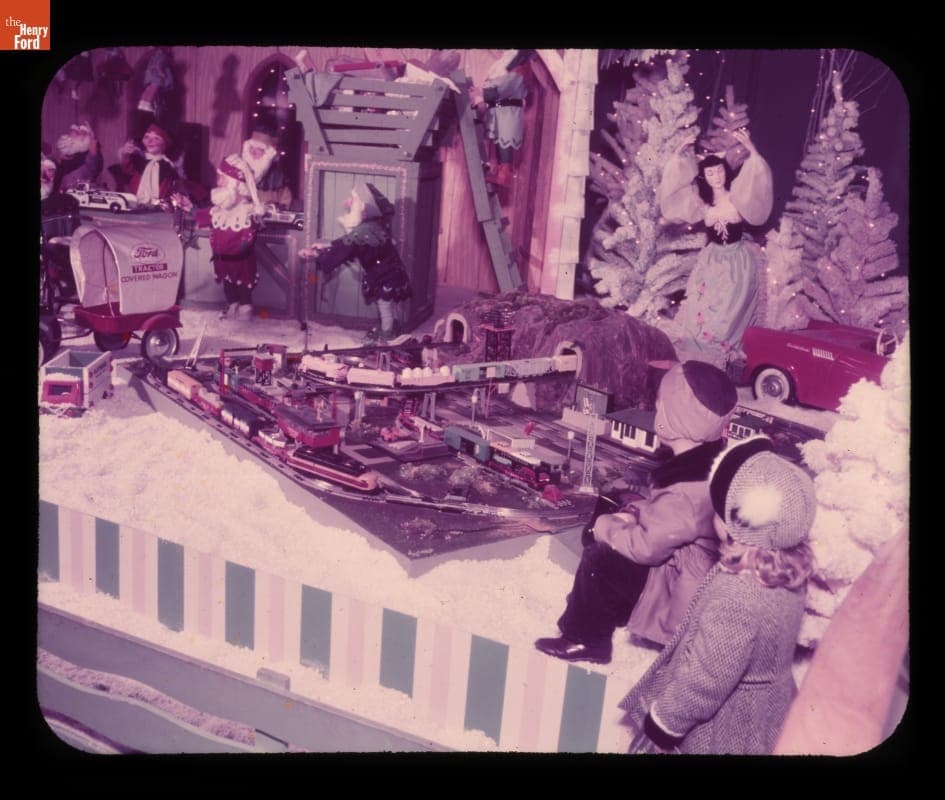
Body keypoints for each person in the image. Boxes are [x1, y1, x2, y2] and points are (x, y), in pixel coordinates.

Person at [619, 435, 816, 755]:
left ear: (733, 523)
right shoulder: (785, 571)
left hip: (724, 727)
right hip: (767, 709)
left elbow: (707, 677)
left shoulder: (737, 594)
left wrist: (665, 721)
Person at [534, 360, 738, 664]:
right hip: (688, 571)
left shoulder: (686, 490)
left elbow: (646, 548)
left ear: (672, 417)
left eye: (660, 403)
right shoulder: (703, 467)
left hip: (679, 594)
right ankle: (606, 608)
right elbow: (667, 516)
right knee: (616, 533)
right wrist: (633, 512)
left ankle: (584, 639)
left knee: (601, 559)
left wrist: (605, 526)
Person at [659, 129, 773, 369]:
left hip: (737, 263)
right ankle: (699, 359)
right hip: (712, 263)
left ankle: (721, 359)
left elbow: (757, 180)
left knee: (729, 311)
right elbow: (674, 191)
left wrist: (752, 150)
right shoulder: (702, 205)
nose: (716, 176)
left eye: (719, 170)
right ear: (704, 176)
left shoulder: (738, 198)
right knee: (702, 308)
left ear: (726, 171)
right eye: (710, 173)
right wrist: (679, 153)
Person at [300, 182, 411, 340]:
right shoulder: (373, 225)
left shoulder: (364, 231)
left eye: (353, 200)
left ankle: (387, 338)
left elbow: (345, 249)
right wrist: (327, 245)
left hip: (385, 277)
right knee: (389, 306)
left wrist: (316, 254)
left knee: (385, 308)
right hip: (390, 273)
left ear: (363, 206)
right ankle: (393, 331)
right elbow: (348, 243)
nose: (349, 203)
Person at [179, 154, 265, 322]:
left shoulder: (247, 211)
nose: (218, 183)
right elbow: (202, 215)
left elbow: (254, 229)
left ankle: (245, 310)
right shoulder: (219, 210)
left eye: (222, 179)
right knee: (228, 285)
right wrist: (189, 207)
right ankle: (232, 305)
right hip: (222, 261)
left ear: (235, 185)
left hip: (241, 261)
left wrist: (258, 214)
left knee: (243, 286)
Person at [118, 122, 179, 207]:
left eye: (156, 138)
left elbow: (171, 189)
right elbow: (126, 170)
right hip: (135, 204)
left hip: (158, 207)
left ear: (165, 144)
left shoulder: (168, 166)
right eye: (146, 137)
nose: (149, 141)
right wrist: (125, 155)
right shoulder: (138, 159)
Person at [241, 126, 293, 209]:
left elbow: (286, 201)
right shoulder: (238, 171)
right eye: (251, 147)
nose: (253, 152)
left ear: (268, 154)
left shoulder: (277, 178)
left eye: (259, 149)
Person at [53, 122, 103, 192]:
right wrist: (58, 160)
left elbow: (93, 165)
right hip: (60, 191)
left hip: (78, 191)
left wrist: (93, 141)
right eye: (74, 132)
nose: (75, 135)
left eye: (82, 133)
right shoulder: (67, 153)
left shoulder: (90, 153)